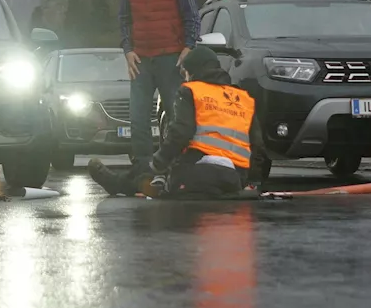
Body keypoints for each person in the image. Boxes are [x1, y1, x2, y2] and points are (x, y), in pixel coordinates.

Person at [88, 45, 262, 198]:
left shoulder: (192, 91)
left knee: (148, 170)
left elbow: (180, 133)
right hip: (233, 178)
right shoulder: (243, 98)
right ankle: (157, 183)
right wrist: (249, 180)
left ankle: (120, 183)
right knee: (164, 169)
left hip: (196, 173)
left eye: (186, 73)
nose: (185, 78)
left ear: (194, 71)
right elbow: (258, 146)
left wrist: (158, 163)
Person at [118, 0, 200, 170]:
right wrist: (127, 49)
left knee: (177, 117)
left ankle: (179, 166)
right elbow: (123, 18)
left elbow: (192, 15)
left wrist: (189, 47)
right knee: (138, 118)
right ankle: (143, 168)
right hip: (141, 59)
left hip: (171, 58)